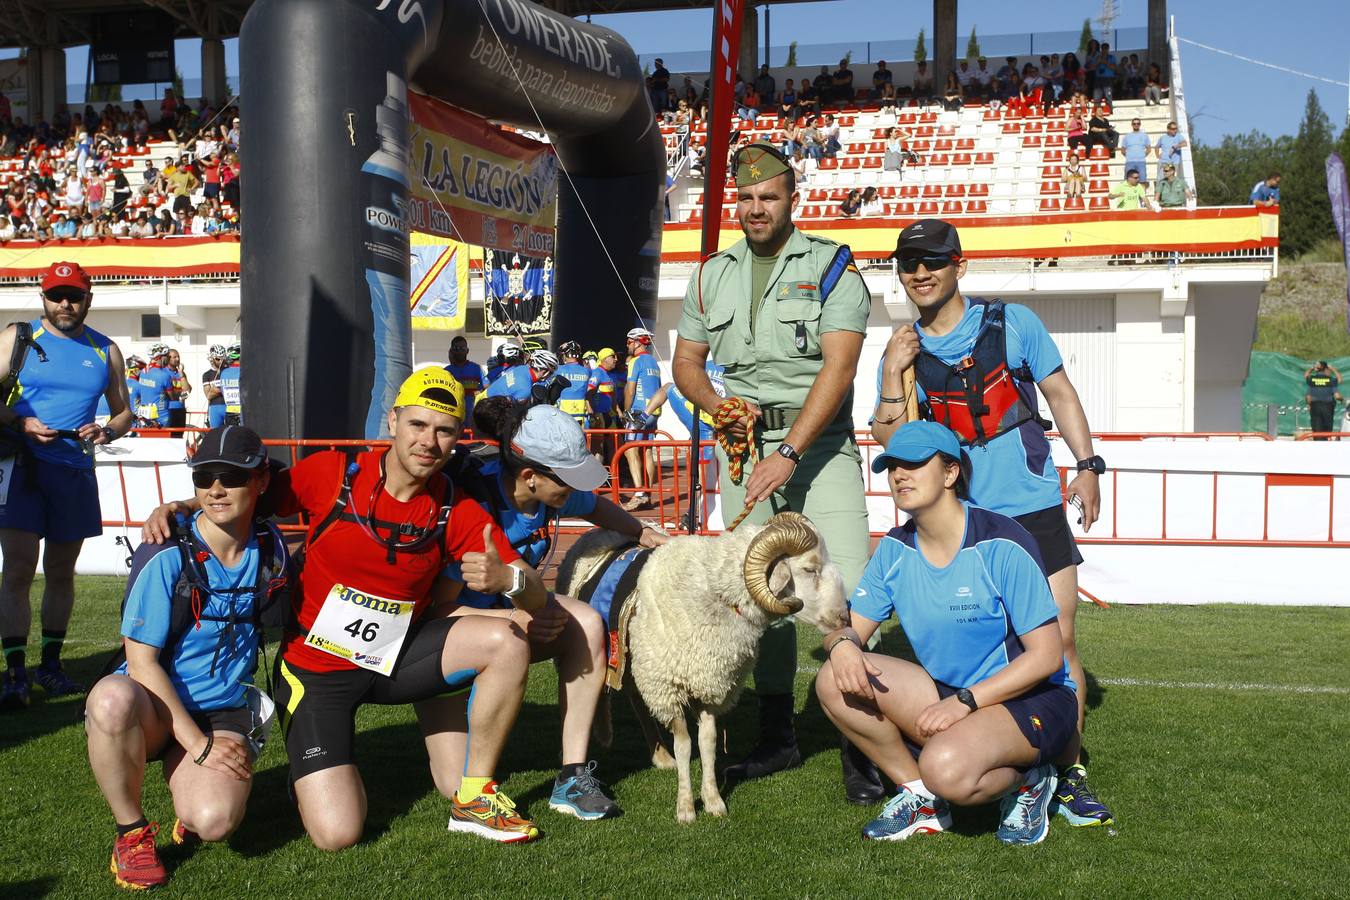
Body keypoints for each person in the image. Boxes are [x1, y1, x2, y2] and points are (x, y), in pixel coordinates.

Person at [142, 368, 549, 847]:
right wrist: (183, 504)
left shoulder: (457, 510)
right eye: (418, 425)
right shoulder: (333, 473)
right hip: (318, 672)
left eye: (444, 431)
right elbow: (241, 493)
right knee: (337, 834)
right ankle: (309, 778)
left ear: (457, 438)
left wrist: (512, 580)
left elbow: (536, 596)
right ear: (393, 421)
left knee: (507, 640)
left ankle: (476, 797)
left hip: (397, 659)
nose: (429, 442)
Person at [872, 218, 1115, 827]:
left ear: (959, 265)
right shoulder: (905, 350)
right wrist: (887, 373)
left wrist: (1087, 466)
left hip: (1033, 508)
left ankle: (1068, 769)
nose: (920, 274)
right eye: (909, 265)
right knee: (989, 649)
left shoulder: (1012, 325)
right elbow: (893, 440)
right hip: (965, 522)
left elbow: (1060, 393)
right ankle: (1012, 758)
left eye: (932, 261)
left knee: (1058, 640)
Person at [673, 141, 871, 787]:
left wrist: (788, 453)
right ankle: (777, 733)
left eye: (770, 196)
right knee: (763, 595)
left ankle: (861, 739)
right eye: (747, 198)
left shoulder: (834, 266)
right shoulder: (710, 275)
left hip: (820, 450)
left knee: (853, 585)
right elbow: (686, 365)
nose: (757, 208)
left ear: (793, 198)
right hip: (746, 454)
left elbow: (840, 367)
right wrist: (719, 406)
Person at [816, 420, 1078, 845]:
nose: (900, 474)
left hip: (1032, 698)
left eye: (915, 464)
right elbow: (845, 628)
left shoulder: (1002, 542)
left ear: (951, 472)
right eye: (892, 466)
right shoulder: (894, 549)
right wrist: (842, 645)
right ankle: (918, 794)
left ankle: (1031, 780)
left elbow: (1048, 658)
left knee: (946, 771)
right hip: (949, 693)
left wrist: (966, 702)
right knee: (832, 679)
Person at [439, 398, 668, 818]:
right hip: (449, 631)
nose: (575, 489)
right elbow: (437, 610)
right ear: (529, 476)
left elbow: (595, 505)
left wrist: (641, 531)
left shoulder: (551, 495)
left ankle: (572, 776)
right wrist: (514, 615)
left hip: (510, 617)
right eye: (568, 479)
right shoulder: (472, 504)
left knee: (586, 622)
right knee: (450, 783)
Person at [85, 425, 287, 889]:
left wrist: (186, 502)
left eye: (231, 476)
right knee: (110, 699)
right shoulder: (165, 551)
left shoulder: (271, 545)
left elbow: (290, 484)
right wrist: (199, 746)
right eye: (204, 477)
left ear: (259, 481)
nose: (216, 488)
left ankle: (190, 801)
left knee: (215, 822)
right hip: (151, 705)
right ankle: (131, 832)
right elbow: (140, 664)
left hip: (223, 707)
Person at [0, 261, 134, 710]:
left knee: (61, 571)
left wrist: (107, 432)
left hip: (74, 471)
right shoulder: (18, 337)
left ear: (88, 300)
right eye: (57, 295)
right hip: (23, 466)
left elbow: (124, 412)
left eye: (73, 296)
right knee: (18, 569)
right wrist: (20, 421)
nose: (64, 303)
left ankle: (51, 668)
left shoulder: (105, 349)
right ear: (43, 298)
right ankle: (15, 674)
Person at [621, 327, 662, 512]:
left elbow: (630, 389)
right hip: (653, 411)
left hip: (638, 412)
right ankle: (647, 493)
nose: (627, 345)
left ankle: (639, 494)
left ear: (637, 342)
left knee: (630, 451)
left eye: (629, 342)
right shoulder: (653, 362)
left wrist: (625, 411)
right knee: (647, 452)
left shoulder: (635, 362)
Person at [444, 336, 486, 427]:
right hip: (454, 416)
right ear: (452, 350)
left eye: (462, 348)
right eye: (456, 348)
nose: (459, 351)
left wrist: (480, 392)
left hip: (473, 416)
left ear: (467, 350)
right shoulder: (446, 371)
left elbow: (487, 387)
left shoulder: (476, 368)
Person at [1304, 361, 1343, 439]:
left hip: (1315, 406)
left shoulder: (1312, 379)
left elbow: (1306, 375)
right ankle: (1326, 444)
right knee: (1327, 430)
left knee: (1316, 429)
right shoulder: (1331, 380)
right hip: (1328, 407)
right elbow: (1339, 380)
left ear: (1317, 369)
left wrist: (1312, 368)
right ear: (1326, 369)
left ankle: (1318, 444)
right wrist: (1333, 369)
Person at [164, 348, 191, 429]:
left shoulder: (181, 373)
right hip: (168, 409)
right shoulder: (164, 372)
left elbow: (187, 390)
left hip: (180, 408)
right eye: (174, 357)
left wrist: (181, 374)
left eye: (178, 357)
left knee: (179, 435)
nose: (178, 359)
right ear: (168, 358)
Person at [202, 344, 228, 428]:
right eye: (218, 359)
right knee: (215, 433)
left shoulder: (228, 372)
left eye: (223, 359)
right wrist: (223, 390)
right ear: (212, 359)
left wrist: (215, 390)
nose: (221, 361)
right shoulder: (207, 375)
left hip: (228, 407)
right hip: (214, 407)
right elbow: (208, 395)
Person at [218, 343, 242, 425]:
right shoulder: (245, 371)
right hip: (243, 412)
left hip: (229, 411)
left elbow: (222, 390)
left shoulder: (224, 373)